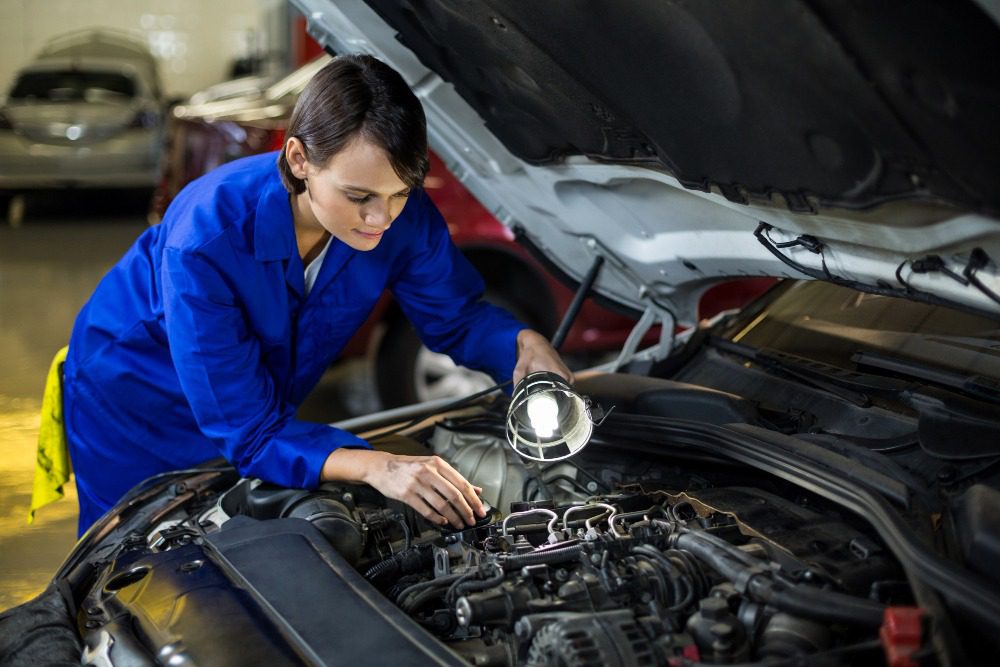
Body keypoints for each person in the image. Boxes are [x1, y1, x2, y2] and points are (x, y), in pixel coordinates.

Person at [63, 54, 571, 536]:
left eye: (399, 194)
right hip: (132, 399)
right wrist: (378, 465)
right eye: (360, 197)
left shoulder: (400, 216)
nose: (382, 219)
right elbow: (253, 431)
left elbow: (455, 317)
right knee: (130, 561)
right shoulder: (206, 238)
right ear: (300, 158)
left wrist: (522, 344)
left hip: (254, 407)